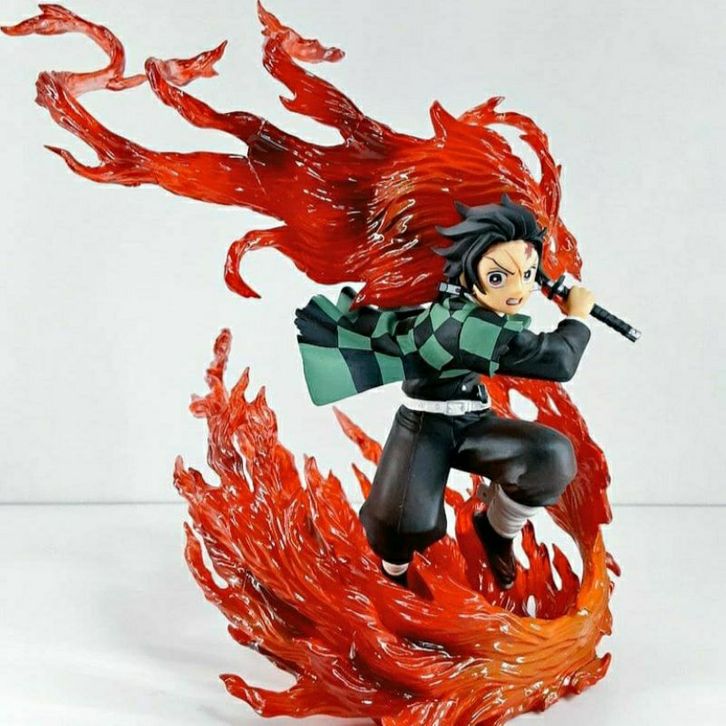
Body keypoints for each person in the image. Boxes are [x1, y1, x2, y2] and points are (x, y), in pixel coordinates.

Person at [295, 195, 594, 589]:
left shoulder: (469, 310)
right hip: (425, 426)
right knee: (401, 524)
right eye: (499, 278)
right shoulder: (461, 326)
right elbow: (557, 361)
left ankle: (496, 530)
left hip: (472, 421)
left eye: (528, 275)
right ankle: (394, 580)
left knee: (550, 457)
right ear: (467, 274)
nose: (518, 291)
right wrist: (577, 318)